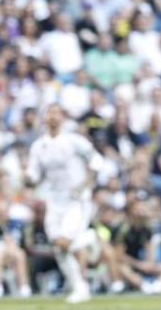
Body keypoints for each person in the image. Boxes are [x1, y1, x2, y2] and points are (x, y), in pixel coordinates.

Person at [25, 104, 104, 303]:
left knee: (64, 242)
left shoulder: (74, 141)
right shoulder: (38, 146)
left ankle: (89, 238)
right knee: (60, 247)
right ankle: (80, 287)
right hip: (54, 201)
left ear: (63, 118)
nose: (53, 116)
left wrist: (87, 183)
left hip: (76, 201)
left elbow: (96, 160)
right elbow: (35, 175)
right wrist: (28, 179)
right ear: (45, 118)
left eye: (57, 113)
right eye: (49, 112)